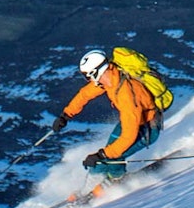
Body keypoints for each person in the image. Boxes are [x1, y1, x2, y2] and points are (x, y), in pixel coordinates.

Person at [50, 49, 161, 178]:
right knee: (107, 154)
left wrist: (102, 155)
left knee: (114, 155)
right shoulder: (111, 79)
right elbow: (84, 94)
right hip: (132, 121)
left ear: (96, 72)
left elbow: (129, 136)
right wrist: (66, 115)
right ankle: (95, 179)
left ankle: (117, 179)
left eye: (87, 76)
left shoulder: (126, 94)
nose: (88, 79)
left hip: (148, 128)